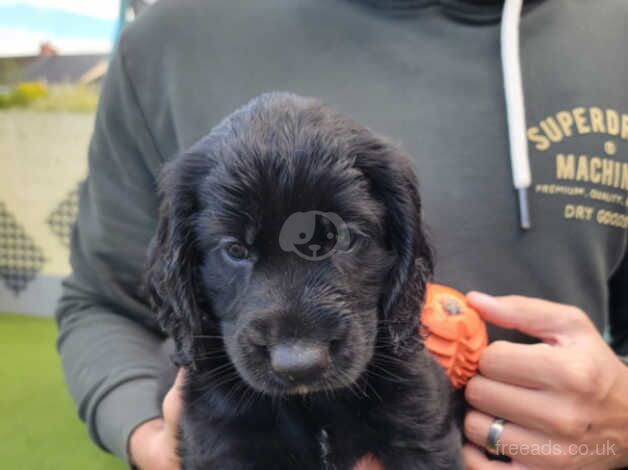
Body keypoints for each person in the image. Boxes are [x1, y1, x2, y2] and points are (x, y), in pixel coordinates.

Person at [55, 0, 628, 468]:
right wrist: (151, 438)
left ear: (403, 251)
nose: (298, 349)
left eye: (341, 239)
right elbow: (101, 302)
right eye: (235, 250)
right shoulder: (169, 37)